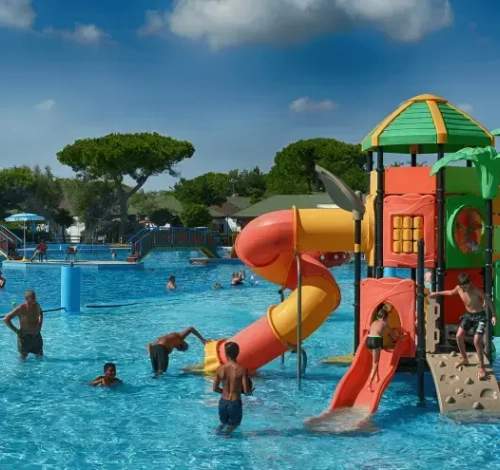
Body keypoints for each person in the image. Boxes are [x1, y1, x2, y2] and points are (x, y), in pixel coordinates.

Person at [429, 272, 497, 379]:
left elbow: (488, 300)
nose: (464, 289)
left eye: (465, 287)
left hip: (480, 316)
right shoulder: (458, 288)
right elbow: (450, 292)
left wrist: (494, 316)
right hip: (468, 315)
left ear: (470, 283)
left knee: (476, 341)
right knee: (458, 336)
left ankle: (482, 367)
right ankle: (465, 359)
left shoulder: (475, 290)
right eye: (462, 287)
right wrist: (436, 293)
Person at [213, 341, 253, 434]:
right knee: (234, 425)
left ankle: (217, 433)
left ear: (226, 354)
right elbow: (246, 391)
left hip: (223, 402)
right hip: (235, 402)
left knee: (223, 423)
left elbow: (215, 389)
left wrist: (225, 392)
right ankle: (226, 436)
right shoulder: (242, 370)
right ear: (238, 353)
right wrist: (249, 392)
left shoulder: (220, 369)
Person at [366, 306, 401, 392]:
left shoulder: (374, 322)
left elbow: (368, 331)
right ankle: (369, 383)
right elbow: (393, 335)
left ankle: (377, 377)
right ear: (386, 318)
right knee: (375, 363)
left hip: (368, 340)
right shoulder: (385, 324)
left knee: (375, 360)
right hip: (376, 340)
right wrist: (399, 337)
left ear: (378, 317)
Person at [3, 289, 43, 359]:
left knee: (40, 356)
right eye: (33, 297)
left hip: (36, 336)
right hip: (24, 338)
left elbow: (41, 313)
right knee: (23, 359)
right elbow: (6, 319)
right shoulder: (20, 308)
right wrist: (16, 331)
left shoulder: (37, 305)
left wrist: (40, 325)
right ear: (26, 299)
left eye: (35, 297)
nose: (35, 299)